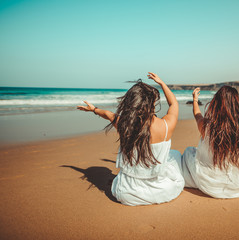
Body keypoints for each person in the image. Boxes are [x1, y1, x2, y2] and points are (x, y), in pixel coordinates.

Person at [77, 72, 184, 206]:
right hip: (160, 190)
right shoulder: (166, 126)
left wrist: (93, 109)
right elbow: (174, 104)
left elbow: (108, 114)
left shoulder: (123, 124)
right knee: (174, 157)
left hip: (126, 193)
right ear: (152, 104)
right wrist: (162, 83)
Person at [181, 83, 239, 198]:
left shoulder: (207, 126)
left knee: (189, 152)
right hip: (237, 186)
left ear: (216, 104)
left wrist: (195, 100)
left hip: (208, 184)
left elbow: (197, 115)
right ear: (237, 105)